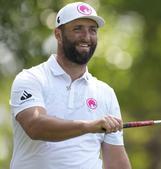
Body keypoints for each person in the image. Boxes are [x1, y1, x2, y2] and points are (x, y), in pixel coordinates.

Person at [9, 2, 131, 169]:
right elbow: (35, 126)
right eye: (78, 28)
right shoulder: (31, 78)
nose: (86, 37)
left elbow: (116, 162)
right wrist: (88, 126)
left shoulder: (105, 92)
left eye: (92, 30)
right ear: (58, 34)